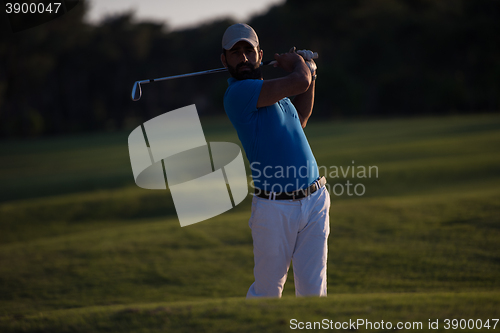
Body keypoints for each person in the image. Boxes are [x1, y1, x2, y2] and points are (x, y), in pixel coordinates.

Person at [220, 23, 330, 298]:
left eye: (249, 51)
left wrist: (311, 72)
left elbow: (300, 119)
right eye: (235, 53)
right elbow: (298, 82)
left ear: (260, 54)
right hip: (274, 209)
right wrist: (298, 64)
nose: (243, 58)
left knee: (314, 293)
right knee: (268, 293)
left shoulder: (273, 94)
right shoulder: (239, 94)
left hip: (315, 199)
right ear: (224, 60)